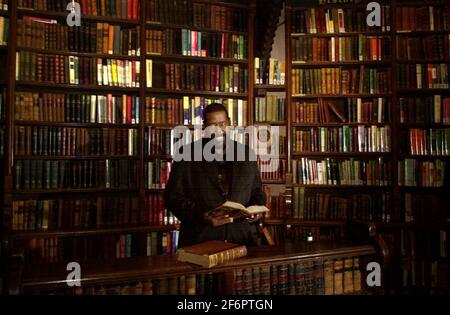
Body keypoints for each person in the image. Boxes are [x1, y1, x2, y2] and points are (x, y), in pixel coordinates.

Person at [164, 103, 266, 247]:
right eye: (213, 125)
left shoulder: (246, 153)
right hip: (201, 238)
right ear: (205, 126)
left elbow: (256, 191)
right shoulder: (187, 154)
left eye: (222, 124)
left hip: (242, 238)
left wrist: (256, 210)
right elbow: (172, 197)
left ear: (229, 124)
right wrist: (202, 217)